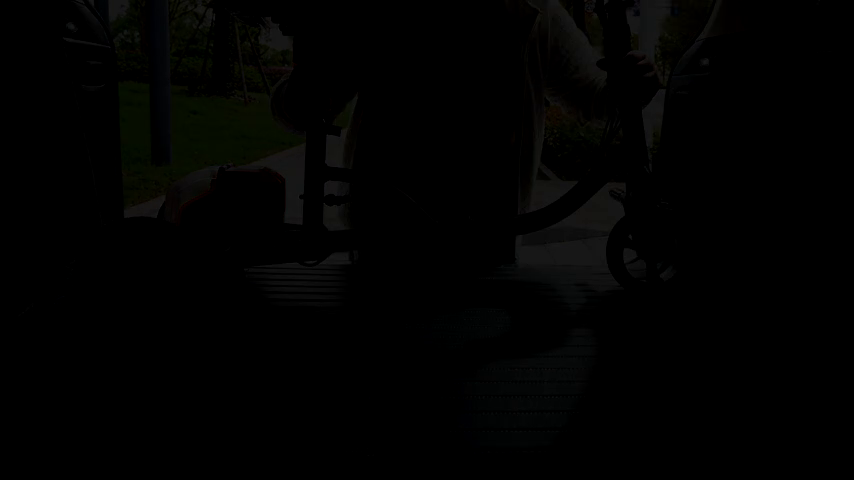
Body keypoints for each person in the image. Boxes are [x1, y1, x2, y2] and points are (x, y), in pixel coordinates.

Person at [268, 0, 660, 270]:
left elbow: (595, 97)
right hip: (390, 236)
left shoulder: (538, 13)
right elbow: (304, 109)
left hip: (485, 240)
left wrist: (631, 84)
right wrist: (308, 75)